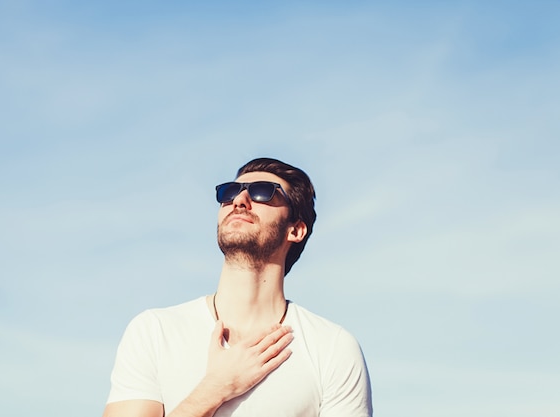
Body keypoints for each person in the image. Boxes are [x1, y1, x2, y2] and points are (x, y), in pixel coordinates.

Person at [103, 157, 373, 417]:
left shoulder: (332, 348)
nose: (240, 200)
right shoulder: (154, 331)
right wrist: (215, 389)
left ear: (296, 230)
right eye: (230, 192)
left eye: (263, 193)